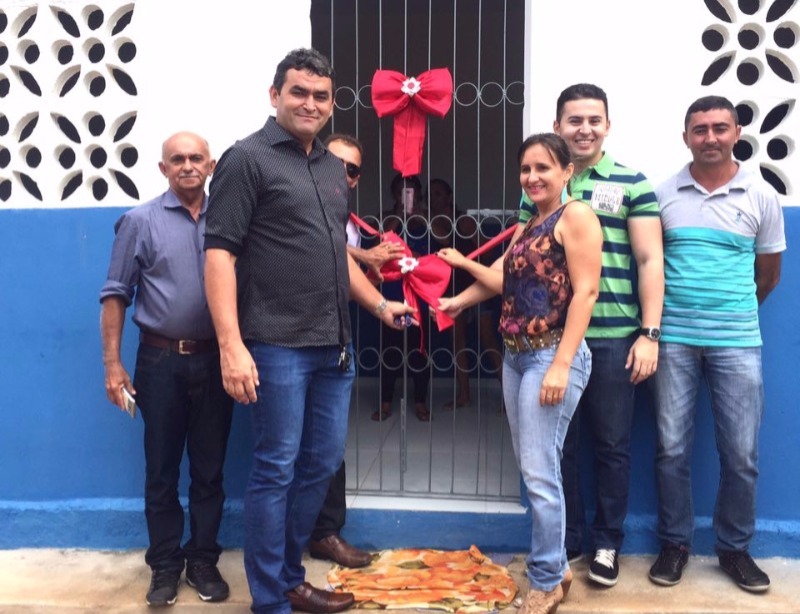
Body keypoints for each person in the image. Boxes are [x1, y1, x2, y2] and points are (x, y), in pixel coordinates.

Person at [202, 48, 415, 614]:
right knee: (276, 468)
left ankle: (289, 577)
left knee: (320, 464)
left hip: (334, 346)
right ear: (275, 95)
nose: (310, 103)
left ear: (332, 103)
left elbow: (336, 252)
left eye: (321, 95)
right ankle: (272, 598)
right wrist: (230, 345)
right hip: (276, 344)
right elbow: (219, 255)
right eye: (299, 92)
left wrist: (378, 305)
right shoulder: (246, 160)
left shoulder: (328, 167)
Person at [438, 133, 602, 614]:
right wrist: (457, 297)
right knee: (535, 466)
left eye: (543, 168)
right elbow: (501, 280)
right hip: (516, 357)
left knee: (539, 471)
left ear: (567, 171)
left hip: (551, 355)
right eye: (526, 169)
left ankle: (547, 581)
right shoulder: (527, 225)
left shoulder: (576, 217)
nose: (532, 177)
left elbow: (587, 293)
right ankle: (558, 567)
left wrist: (562, 364)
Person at [648, 95, 785, 593]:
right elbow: (651, 264)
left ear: (737, 134)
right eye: (700, 129)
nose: (710, 137)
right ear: (686, 136)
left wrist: (729, 313)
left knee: (742, 454)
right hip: (673, 341)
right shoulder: (663, 194)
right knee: (670, 450)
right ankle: (674, 545)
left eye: (720, 128)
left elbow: (767, 276)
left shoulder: (761, 195)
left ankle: (734, 550)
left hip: (738, 342)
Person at [99, 132, 233, 607]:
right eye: (177, 159)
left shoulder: (229, 219)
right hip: (160, 363)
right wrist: (112, 364)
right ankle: (164, 565)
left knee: (210, 470)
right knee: (161, 471)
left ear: (211, 166)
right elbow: (115, 294)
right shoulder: (140, 221)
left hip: (216, 360)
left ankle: (203, 561)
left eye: (196, 158)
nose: (187, 165)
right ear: (163, 168)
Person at [543, 83, 663, 587]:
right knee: (561, 446)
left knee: (612, 445)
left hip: (615, 338)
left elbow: (649, 259)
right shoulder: (544, 183)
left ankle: (607, 543)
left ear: (608, 125)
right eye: (574, 120)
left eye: (594, 120)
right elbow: (523, 257)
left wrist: (649, 333)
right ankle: (569, 538)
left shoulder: (633, 183)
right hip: (555, 341)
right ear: (558, 126)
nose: (584, 129)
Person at [307, 133, 401, 569]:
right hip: (293, 341)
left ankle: (325, 532)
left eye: (350, 169)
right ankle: (296, 540)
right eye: (333, 162)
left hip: (334, 340)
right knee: (286, 450)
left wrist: (372, 279)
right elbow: (318, 248)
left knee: (329, 444)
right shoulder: (300, 202)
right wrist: (365, 259)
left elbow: (342, 278)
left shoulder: (349, 221)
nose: (341, 173)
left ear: (357, 178)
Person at [427, 178, 503, 410]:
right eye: (430, 194)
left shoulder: (464, 221)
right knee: (457, 343)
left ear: (449, 197)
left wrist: (472, 267)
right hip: (452, 291)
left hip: (476, 288)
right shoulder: (431, 222)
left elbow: (487, 250)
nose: (433, 198)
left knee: (489, 341)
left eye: (438, 193)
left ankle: (507, 397)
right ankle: (464, 395)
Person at [373, 173, 432, 422]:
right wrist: (398, 216)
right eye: (401, 192)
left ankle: (420, 402)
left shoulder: (428, 218)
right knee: (390, 348)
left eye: (411, 192)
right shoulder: (388, 216)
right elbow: (379, 239)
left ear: (418, 195)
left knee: (420, 347)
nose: (406, 196)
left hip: (420, 291)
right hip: (393, 289)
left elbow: (444, 240)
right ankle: (385, 403)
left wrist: (421, 218)